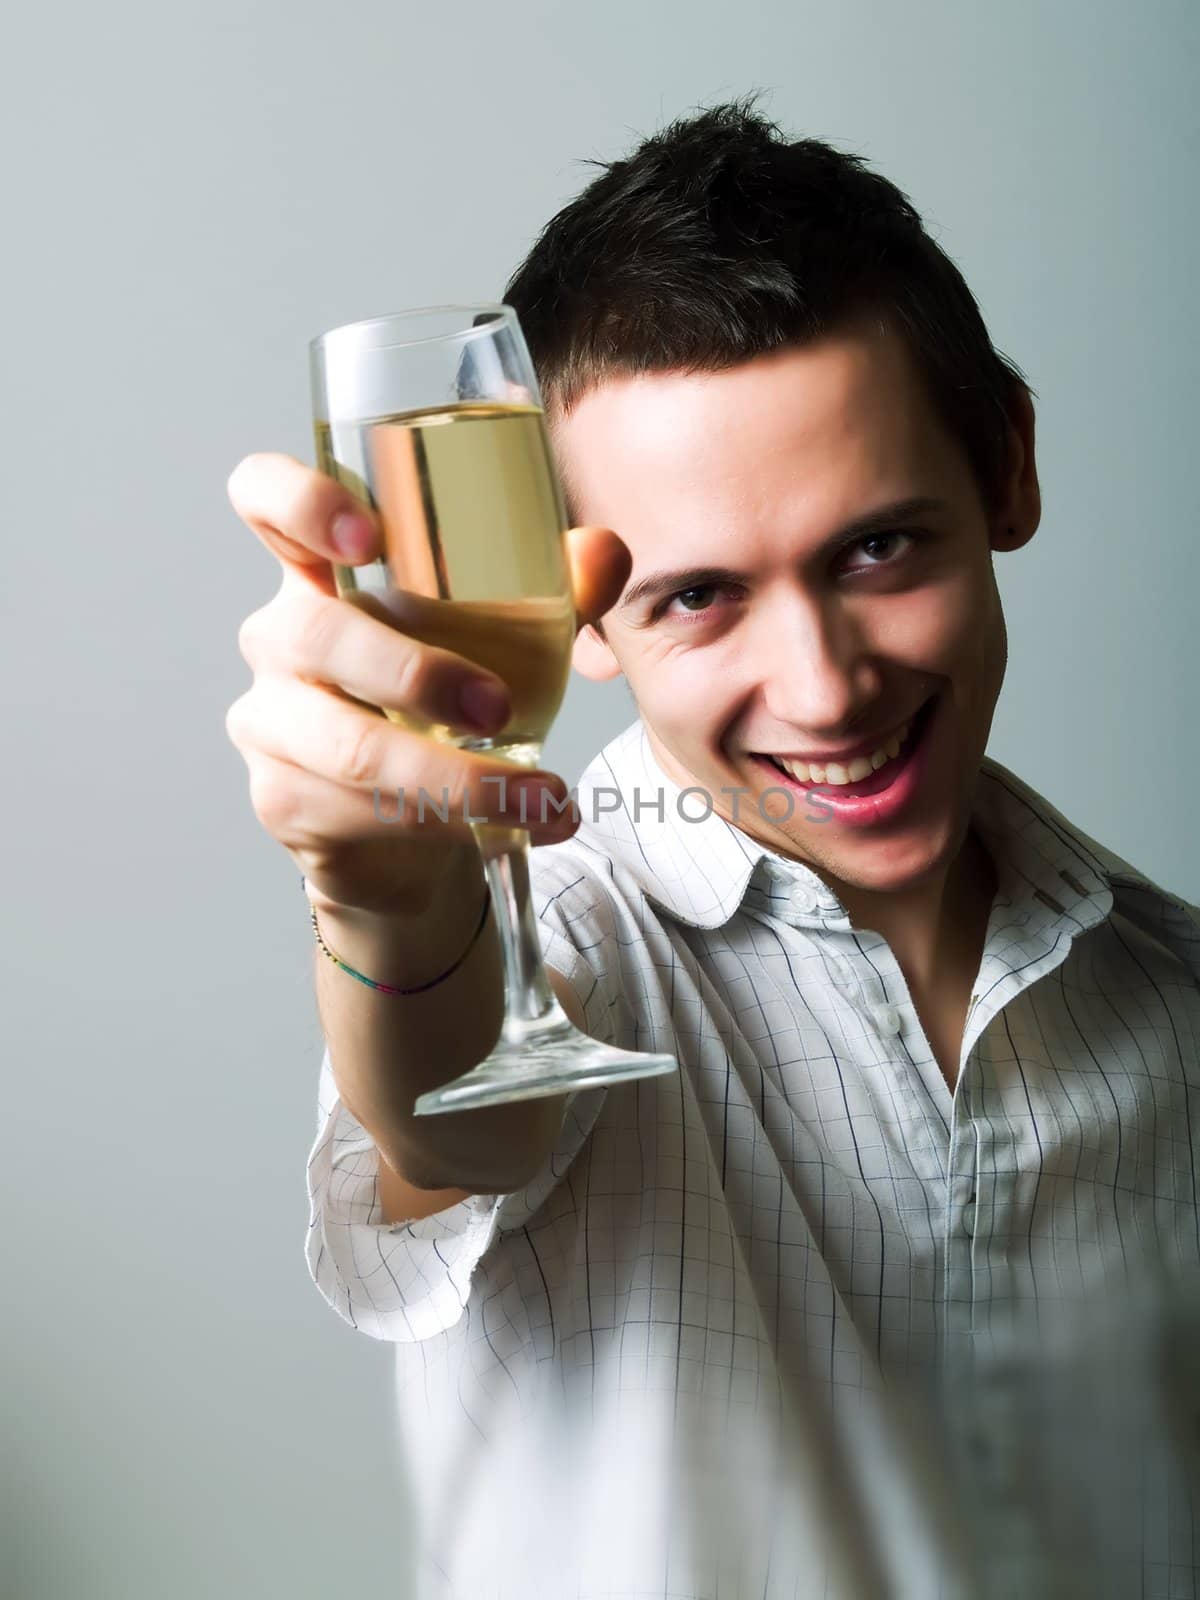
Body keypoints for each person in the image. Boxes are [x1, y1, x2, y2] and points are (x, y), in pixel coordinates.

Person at [224, 101, 1200, 1600]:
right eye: (697, 598)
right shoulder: (574, 952)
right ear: (583, 613)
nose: (823, 689)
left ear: (1006, 463)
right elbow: (453, 1116)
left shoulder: (1179, 1002)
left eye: (876, 548)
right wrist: (386, 901)